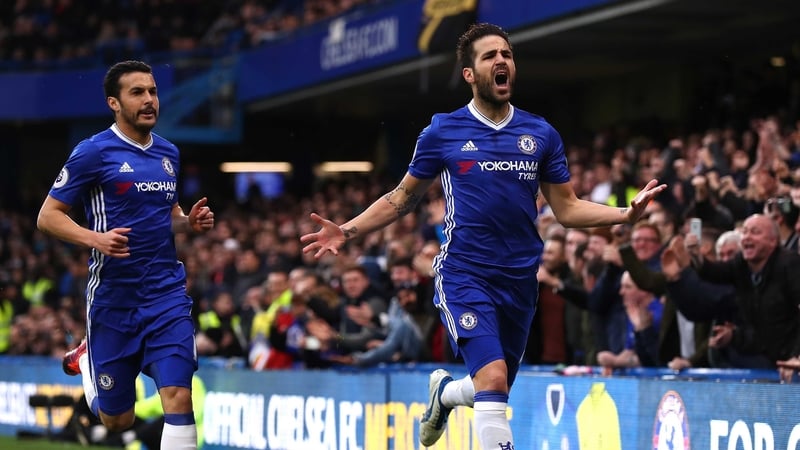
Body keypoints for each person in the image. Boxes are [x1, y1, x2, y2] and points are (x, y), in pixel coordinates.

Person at [300, 23, 666, 449]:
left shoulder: (541, 133)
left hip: (519, 280)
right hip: (464, 273)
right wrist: (346, 230)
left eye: (507, 54)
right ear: (470, 74)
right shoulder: (442, 131)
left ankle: (444, 395)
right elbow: (401, 198)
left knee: (493, 385)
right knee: (492, 377)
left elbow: (566, 208)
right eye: (490, 55)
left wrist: (625, 214)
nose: (501, 61)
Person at [36, 60, 214, 450]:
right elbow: (47, 217)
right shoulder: (92, 152)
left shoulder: (169, 153)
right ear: (114, 103)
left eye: (152, 91)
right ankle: (87, 359)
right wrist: (94, 238)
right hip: (113, 301)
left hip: (166, 296)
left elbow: (167, 215)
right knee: (117, 420)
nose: (149, 100)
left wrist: (188, 224)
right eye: (138, 93)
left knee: (179, 397)